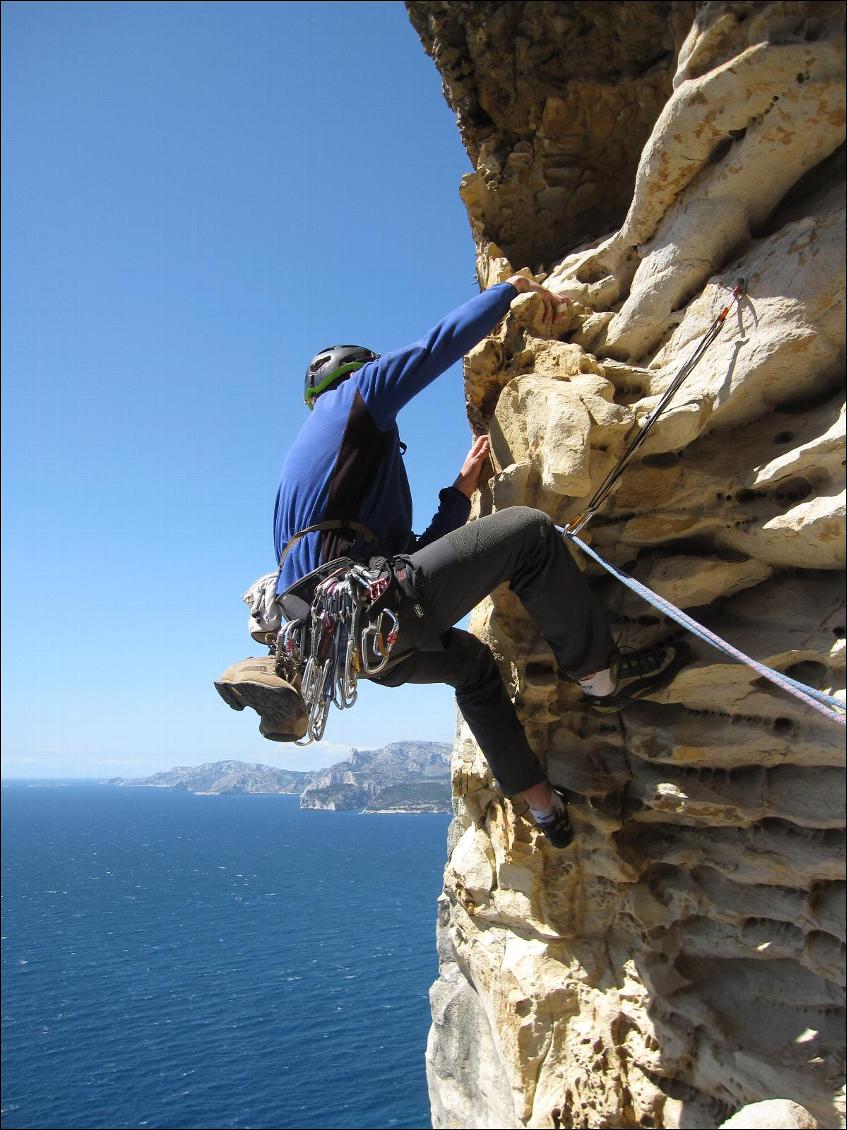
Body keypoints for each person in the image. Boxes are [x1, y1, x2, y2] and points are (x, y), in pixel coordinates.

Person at [217, 276, 687, 848]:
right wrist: (508, 291)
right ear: (354, 373)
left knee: (473, 667)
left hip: (353, 643)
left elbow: (408, 562)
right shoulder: (357, 396)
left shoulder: (307, 478)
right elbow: (435, 347)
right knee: (531, 533)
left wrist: (459, 494)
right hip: (371, 612)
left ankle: (542, 808)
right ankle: (599, 675)